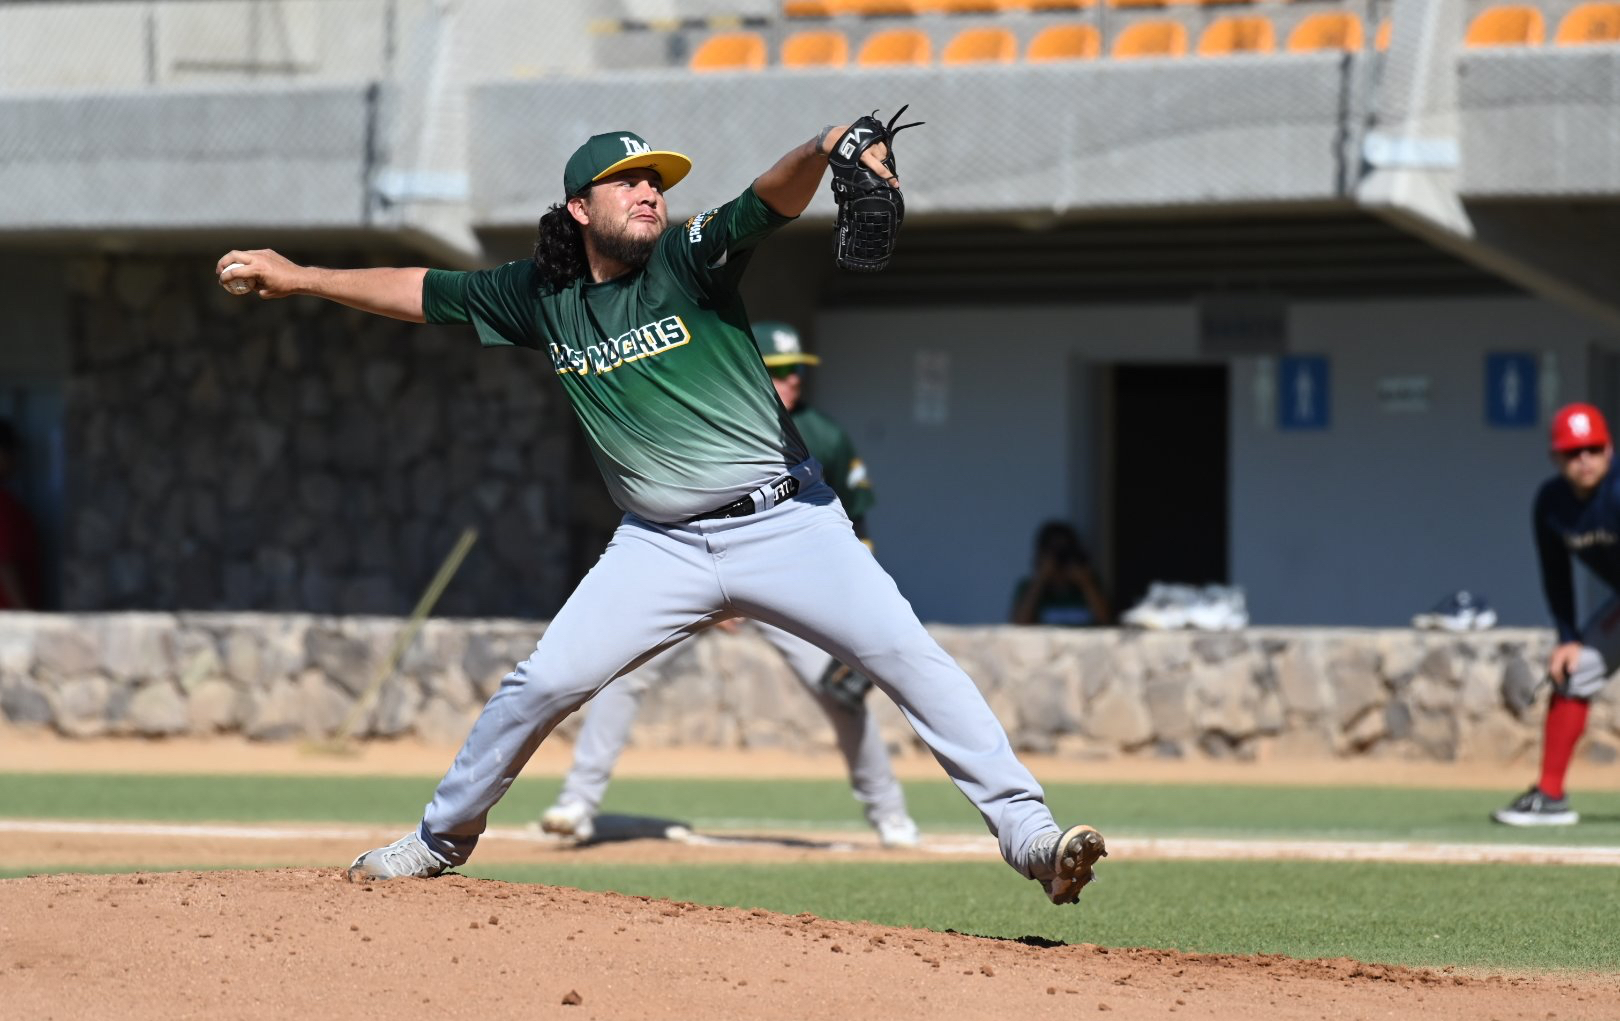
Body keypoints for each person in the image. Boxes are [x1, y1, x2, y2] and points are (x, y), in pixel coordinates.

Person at [215, 119, 1106, 904]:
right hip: (660, 548)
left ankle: (1028, 835)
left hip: (788, 522)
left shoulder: (690, 258)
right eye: (631, 181)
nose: (651, 191)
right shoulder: (543, 297)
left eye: (658, 181)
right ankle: (440, 839)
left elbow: (769, 198)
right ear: (579, 208)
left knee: (911, 659)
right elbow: (421, 289)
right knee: (544, 684)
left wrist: (826, 145)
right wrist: (300, 277)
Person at [538, 320, 919, 849]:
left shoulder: (822, 433)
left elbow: (855, 523)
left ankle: (891, 815)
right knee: (622, 673)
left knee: (841, 693)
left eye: (798, 372)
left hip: (790, 580)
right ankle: (578, 801)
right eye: (780, 371)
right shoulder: (695, 414)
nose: (794, 383)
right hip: (689, 568)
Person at [1494, 402, 1618, 826]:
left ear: (1610, 449)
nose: (1584, 459)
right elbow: (1555, 574)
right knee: (1575, 669)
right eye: (1572, 452)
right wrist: (1567, 636)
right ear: (1556, 457)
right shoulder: (1551, 503)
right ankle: (1549, 795)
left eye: (1593, 449)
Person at [1010, 521, 1110, 627]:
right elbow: (1018, 625)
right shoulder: (1028, 586)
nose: (1060, 560)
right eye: (1053, 552)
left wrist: (1086, 583)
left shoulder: (1090, 582)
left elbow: (1106, 621)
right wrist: (1041, 579)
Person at [0, 419, 41, 611]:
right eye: (12, 451)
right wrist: (27, 616)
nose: (16, 459)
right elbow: (5, 564)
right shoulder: (3, 505)